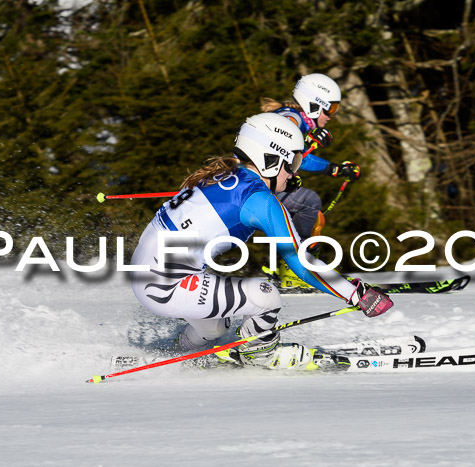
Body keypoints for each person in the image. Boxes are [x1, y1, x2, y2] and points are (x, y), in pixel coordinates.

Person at [130, 113, 393, 370]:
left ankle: (182, 351)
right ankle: (260, 352)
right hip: (165, 286)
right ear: (271, 159)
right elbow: (301, 262)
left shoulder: (225, 175)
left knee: (216, 326)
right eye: (292, 164)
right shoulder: (259, 201)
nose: (294, 173)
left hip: (149, 276)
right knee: (265, 296)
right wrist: (356, 293)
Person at [261, 73, 361, 288]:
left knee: (310, 213)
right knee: (309, 202)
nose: (332, 116)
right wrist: (307, 143)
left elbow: (297, 156)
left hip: (261, 187)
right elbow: (279, 145)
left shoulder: (294, 119)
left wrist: (335, 169)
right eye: (331, 108)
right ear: (315, 105)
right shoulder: (291, 119)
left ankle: (290, 267)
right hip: (256, 188)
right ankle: (295, 269)